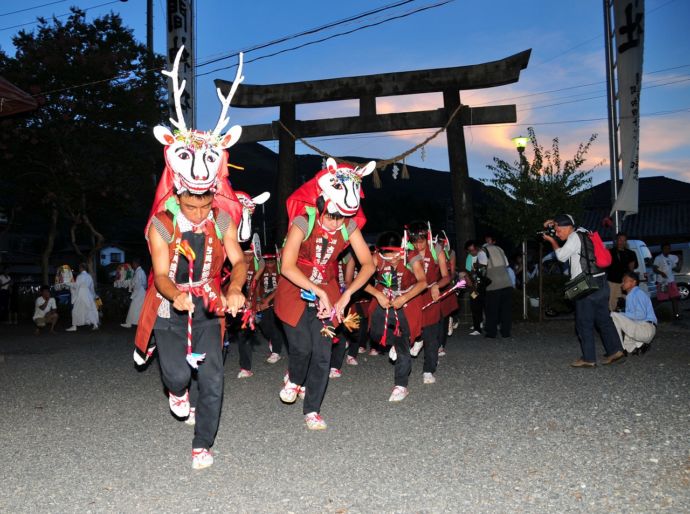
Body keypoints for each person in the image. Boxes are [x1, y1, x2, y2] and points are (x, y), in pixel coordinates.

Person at [132, 45, 247, 470]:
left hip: (209, 306)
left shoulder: (220, 218)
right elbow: (160, 274)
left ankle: (203, 444)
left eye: (206, 201)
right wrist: (175, 296)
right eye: (192, 202)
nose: (200, 209)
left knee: (213, 377)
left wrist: (234, 287)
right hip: (170, 305)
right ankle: (177, 392)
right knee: (179, 375)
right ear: (179, 190)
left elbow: (240, 260)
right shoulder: (162, 223)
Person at [274, 158, 376, 430]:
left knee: (322, 353)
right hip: (295, 285)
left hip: (330, 288)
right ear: (321, 206)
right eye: (331, 216)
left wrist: (346, 295)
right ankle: (294, 378)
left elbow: (369, 265)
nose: (335, 223)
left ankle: (312, 410)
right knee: (301, 348)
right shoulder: (302, 220)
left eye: (341, 217)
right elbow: (286, 266)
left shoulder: (348, 225)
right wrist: (316, 290)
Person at [542, 214, 625, 367]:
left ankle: (588, 358)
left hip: (585, 283)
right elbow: (568, 219)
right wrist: (553, 223)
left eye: (559, 231)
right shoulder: (585, 231)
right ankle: (615, 350)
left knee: (583, 322)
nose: (558, 234)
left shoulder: (573, 237)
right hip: (601, 280)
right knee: (603, 319)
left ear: (568, 228)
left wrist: (552, 241)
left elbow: (560, 256)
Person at [365, 231, 426, 401]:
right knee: (376, 334)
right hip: (383, 298)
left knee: (402, 345)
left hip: (406, 301)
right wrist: (377, 295)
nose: (391, 259)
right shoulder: (376, 257)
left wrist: (404, 298)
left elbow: (423, 282)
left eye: (395, 254)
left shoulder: (411, 256)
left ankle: (401, 385)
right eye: (387, 255)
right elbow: (361, 281)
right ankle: (393, 341)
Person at [407, 221, 449, 384]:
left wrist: (437, 286)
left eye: (421, 240)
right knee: (409, 330)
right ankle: (415, 343)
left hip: (432, 293)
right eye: (415, 241)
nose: (418, 245)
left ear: (428, 237)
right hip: (412, 295)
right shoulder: (407, 251)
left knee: (431, 335)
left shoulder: (436, 249)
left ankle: (429, 370)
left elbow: (446, 276)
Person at [610, 272, 657, 355]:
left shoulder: (638, 293)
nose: (622, 283)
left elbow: (641, 315)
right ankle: (639, 345)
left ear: (634, 282)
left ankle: (619, 349)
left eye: (625, 281)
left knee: (613, 315)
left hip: (646, 328)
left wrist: (621, 314)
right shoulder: (632, 295)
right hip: (644, 328)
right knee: (629, 348)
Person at [256, 251, 287, 364]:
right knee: (264, 324)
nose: (269, 264)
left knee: (274, 325)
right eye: (267, 262)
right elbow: (257, 285)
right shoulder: (260, 269)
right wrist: (259, 300)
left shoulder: (279, 269)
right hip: (264, 298)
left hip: (277, 297)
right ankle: (273, 340)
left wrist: (268, 301)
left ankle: (276, 351)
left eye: (272, 261)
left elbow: (280, 286)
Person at [479, 236, 513, 339]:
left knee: (492, 310)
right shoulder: (500, 249)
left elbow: (482, 268)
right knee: (506, 311)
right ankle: (506, 333)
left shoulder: (482, 252)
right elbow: (506, 264)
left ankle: (491, 333)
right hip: (507, 283)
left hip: (493, 285)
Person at [607, 232, 638, 311]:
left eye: (624, 240)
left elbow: (632, 268)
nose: (622, 242)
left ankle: (629, 318)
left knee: (628, 301)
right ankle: (612, 319)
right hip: (613, 281)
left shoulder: (631, 253)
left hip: (626, 282)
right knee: (612, 302)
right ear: (616, 241)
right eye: (620, 240)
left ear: (626, 242)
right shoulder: (609, 252)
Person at [66, 263, 99, 331]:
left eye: (79, 268)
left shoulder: (80, 276)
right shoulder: (89, 276)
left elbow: (76, 286)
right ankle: (95, 324)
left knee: (75, 310)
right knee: (90, 309)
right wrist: (93, 295)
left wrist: (68, 283)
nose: (79, 269)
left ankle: (74, 326)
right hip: (88, 294)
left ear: (81, 268)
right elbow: (91, 287)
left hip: (81, 294)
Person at [653, 242, 681, 320]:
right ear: (662, 249)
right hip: (663, 283)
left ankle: (676, 315)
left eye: (668, 248)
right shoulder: (658, 258)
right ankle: (653, 313)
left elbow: (677, 270)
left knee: (675, 298)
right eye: (665, 248)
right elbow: (654, 269)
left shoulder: (671, 258)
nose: (667, 250)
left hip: (671, 282)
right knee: (661, 299)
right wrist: (661, 273)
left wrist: (680, 261)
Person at [464, 240, 485, 336]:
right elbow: (468, 271)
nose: (472, 252)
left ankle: (481, 323)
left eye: (473, 250)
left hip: (483, 285)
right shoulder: (469, 257)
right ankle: (477, 325)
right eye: (470, 251)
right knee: (474, 303)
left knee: (483, 304)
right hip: (474, 287)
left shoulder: (481, 255)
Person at [121, 258, 147, 328]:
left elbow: (138, 284)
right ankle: (135, 322)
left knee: (134, 307)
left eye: (133, 264)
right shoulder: (140, 271)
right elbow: (144, 283)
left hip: (139, 292)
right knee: (137, 308)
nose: (132, 265)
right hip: (140, 292)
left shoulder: (139, 272)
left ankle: (130, 323)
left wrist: (133, 293)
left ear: (136, 264)